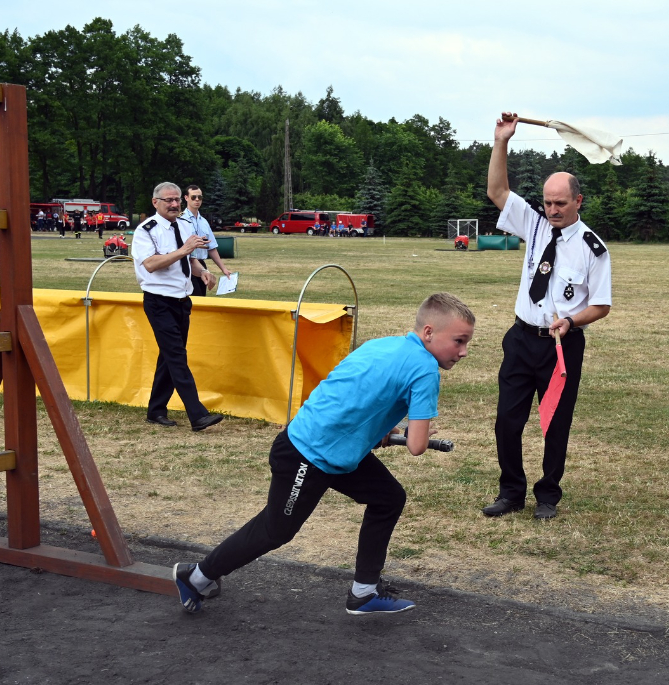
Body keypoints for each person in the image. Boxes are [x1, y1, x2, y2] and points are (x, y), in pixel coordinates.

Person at [172, 293, 476, 615]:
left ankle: (364, 592)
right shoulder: (426, 369)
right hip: (307, 455)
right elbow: (416, 447)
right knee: (274, 531)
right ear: (429, 333)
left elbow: (349, 397)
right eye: (458, 341)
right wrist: (419, 433)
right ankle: (196, 576)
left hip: (330, 451)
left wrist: (379, 433)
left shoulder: (383, 345)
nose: (464, 351)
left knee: (388, 498)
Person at [482, 111, 612, 521]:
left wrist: (572, 321)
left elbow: (602, 305)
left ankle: (548, 496)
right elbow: (497, 191)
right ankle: (511, 492)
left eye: (560, 203)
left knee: (555, 425)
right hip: (521, 339)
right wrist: (502, 140)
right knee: (507, 421)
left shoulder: (594, 249)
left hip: (562, 345)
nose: (552, 210)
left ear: (578, 201)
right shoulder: (535, 225)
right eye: (548, 202)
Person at [132, 182, 224, 432]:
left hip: (182, 301)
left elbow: (189, 259)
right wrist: (183, 249)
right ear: (155, 203)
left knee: (169, 356)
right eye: (168, 201)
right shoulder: (146, 231)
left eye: (176, 201)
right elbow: (151, 264)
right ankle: (197, 414)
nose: (174, 205)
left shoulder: (184, 225)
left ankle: (156, 410)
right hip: (158, 301)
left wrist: (203, 272)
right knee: (176, 356)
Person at [177, 185, 231, 296]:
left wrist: (223, 269)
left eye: (199, 197)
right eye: (193, 197)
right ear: (186, 198)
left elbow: (212, 248)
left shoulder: (204, 221)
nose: (197, 200)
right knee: (193, 298)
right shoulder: (180, 219)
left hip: (201, 264)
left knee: (201, 297)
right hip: (187, 263)